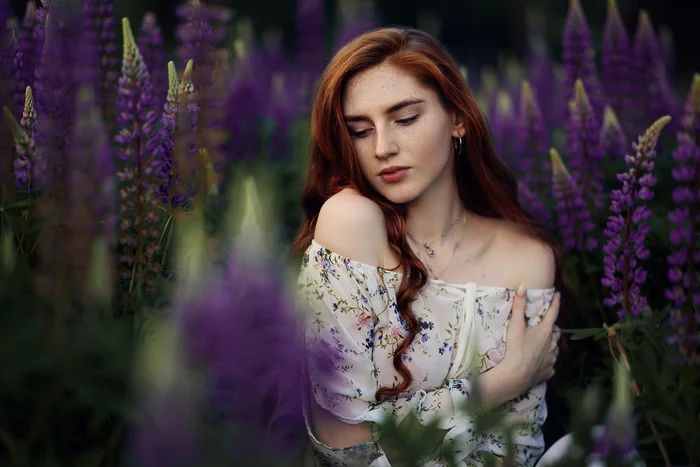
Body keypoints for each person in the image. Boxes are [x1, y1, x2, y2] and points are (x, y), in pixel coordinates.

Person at [292, 26, 573, 466]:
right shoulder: (351, 224)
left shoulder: (526, 257)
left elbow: (513, 450)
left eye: (405, 119)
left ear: (458, 118)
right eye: (360, 131)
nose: (384, 147)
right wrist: (501, 382)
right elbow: (347, 447)